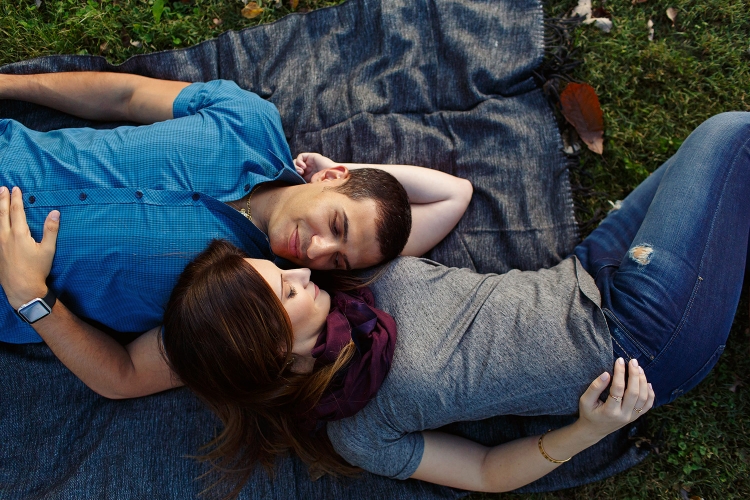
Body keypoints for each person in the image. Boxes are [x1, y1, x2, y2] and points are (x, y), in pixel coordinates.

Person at [1, 112, 747, 493]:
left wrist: (343, 176)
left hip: (586, 271)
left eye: (281, 273)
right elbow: (487, 474)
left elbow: (450, 195)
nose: (299, 272)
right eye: (285, 289)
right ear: (279, 352)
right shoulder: (359, 430)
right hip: (634, 339)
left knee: (718, 168)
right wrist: (590, 431)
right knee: (729, 136)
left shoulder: (354, 287)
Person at [0, 71, 473, 343]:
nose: (317, 250)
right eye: (336, 224)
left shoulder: (246, 294)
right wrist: (8, 84)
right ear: (330, 179)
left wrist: (33, 298)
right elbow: (126, 96)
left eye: (338, 261)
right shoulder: (248, 120)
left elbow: (452, 200)